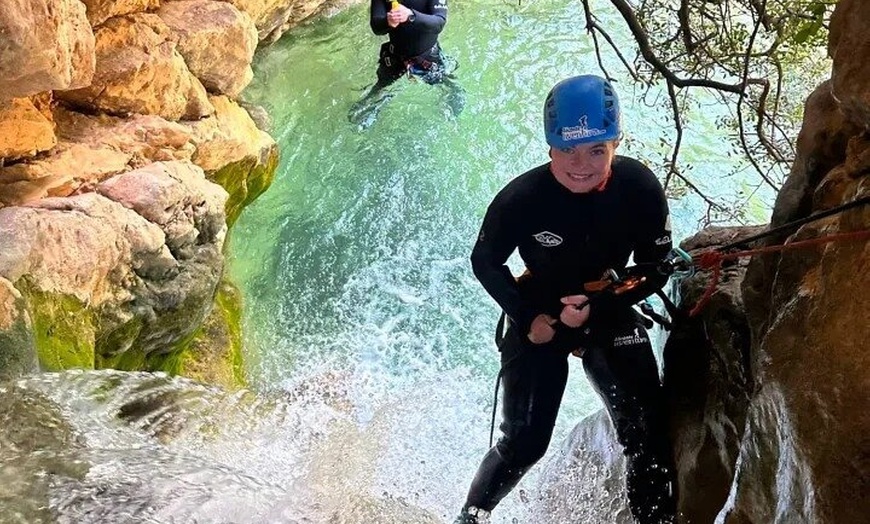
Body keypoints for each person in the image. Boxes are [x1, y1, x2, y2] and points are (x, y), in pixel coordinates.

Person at [454, 75, 677, 524]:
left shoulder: (637, 187)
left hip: (608, 303)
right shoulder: (523, 198)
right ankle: (471, 516)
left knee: (646, 433)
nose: (582, 164)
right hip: (540, 310)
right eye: (568, 150)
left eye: (597, 150)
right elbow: (486, 260)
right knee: (526, 441)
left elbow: (656, 265)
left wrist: (603, 306)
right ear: (549, 147)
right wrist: (527, 316)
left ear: (616, 141)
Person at [349, 0, 464, 128]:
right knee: (381, 84)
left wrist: (411, 15)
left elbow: (439, 22)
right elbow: (376, 27)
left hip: (427, 56)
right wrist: (388, 22)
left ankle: (454, 92)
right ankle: (370, 105)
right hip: (395, 55)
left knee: (443, 81)